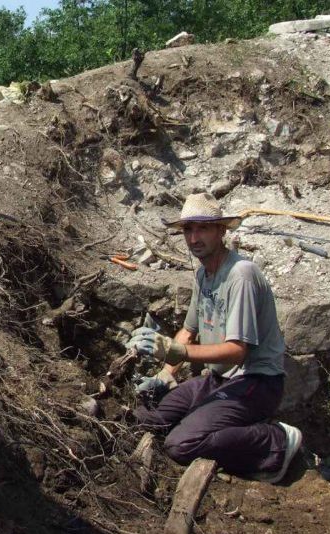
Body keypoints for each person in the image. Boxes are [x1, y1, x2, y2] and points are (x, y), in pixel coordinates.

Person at [128, 193, 302, 483]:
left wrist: (175, 351)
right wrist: (165, 374)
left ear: (221, 231)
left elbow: (237, 351)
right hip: (218, 379)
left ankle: (276, 440)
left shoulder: (241, 275)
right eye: (188, 230)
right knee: (145, 419)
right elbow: (189, 331)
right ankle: (213, 423)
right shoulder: (203, 275)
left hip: (255, 381)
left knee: (180, 444)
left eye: (203, 229)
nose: (194, 238)